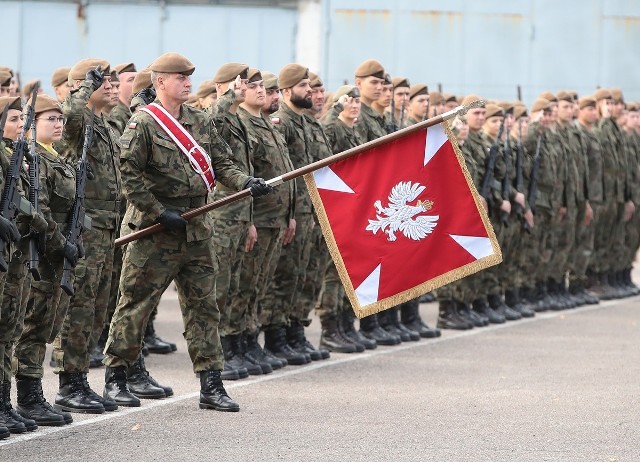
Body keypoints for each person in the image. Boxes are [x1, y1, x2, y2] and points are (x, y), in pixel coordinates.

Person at [103, 52, 271, 412]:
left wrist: (246, 182)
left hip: (196, 228)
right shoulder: (143, 124)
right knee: (136, 305)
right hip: (153, 231)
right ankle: (116, 378)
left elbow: (221, 163)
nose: (188, 83)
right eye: (181, 77)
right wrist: (159, 212)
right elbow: (128, 177)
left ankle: (211, 384)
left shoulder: (198, 119)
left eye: (190, 77)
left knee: (204, 309)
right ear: (160, 81)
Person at [13, 95, 91, 424]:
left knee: (48, 322)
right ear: (32, 126)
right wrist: (62, 244)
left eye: (60, 119)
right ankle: (28, 397)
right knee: (33, 325)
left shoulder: (58, 158)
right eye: (50, 120)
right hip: (41, 253)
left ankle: (34, 393)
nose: (58, 124)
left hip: (58, 253)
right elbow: (40, 212)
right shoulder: (36, 162)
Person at [50, 58, 122, 414]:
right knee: (77, 306)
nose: (112, 86)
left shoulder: (104, 124)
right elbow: (70, 115)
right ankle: (69, 382)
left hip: (105, 228)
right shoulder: (79, 121)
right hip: (83, 229)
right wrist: (83, 88)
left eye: (113, 81)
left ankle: (80, 377)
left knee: (95, 305)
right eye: (103, 82)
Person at [0, 96, 48, 433]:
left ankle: (4, 401)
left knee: (9, 329)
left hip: (13, 251)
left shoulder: (18, 155)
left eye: (22, 119)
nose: (21, 125)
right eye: (14, 119)